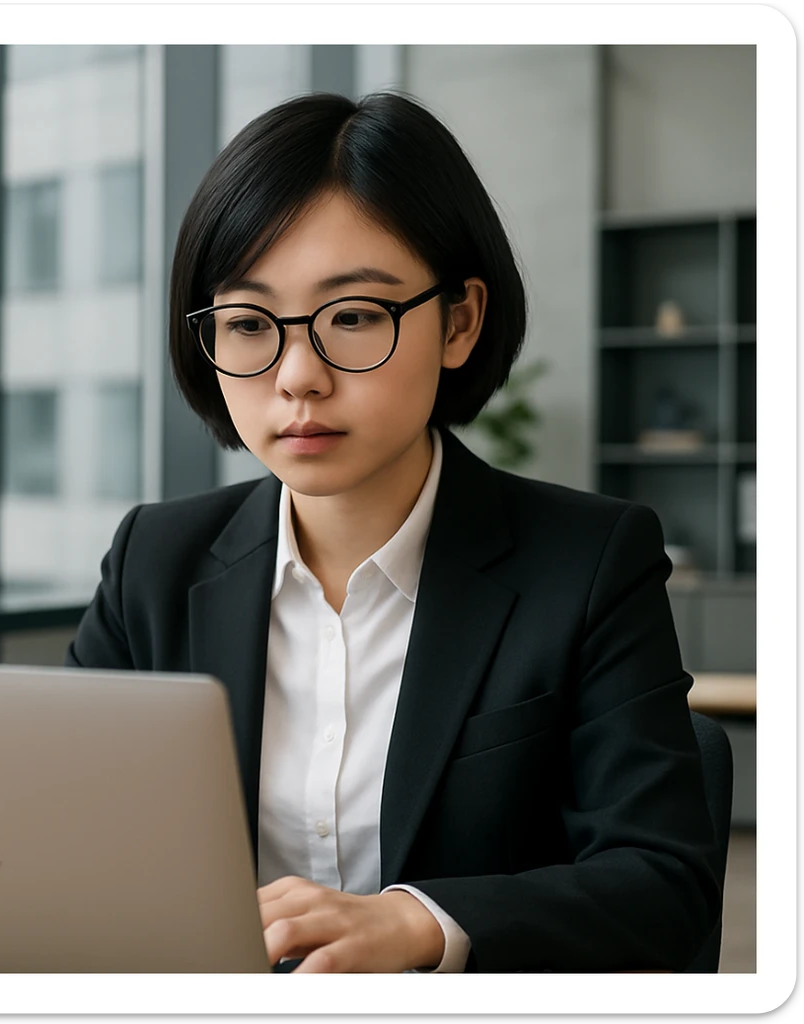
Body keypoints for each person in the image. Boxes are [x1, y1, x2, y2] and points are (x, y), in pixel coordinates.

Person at [65, 91, 720, 973]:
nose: (298, 377)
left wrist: (417, 924)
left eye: (354, 318)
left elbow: (661, 889)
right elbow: (60, 845)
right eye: (251, 324)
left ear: (459, 321)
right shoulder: (153, 561)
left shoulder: (590, 564)